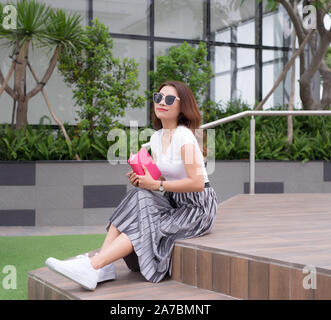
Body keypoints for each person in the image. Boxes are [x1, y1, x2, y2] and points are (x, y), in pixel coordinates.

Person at [45, 80, 218, 290]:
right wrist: (144, 178)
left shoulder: (184, 136)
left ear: (182, 106)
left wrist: (156, 185)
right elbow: (165, 179)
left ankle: (96, 264)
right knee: (138, 193)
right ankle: (102, 266)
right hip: (174, 200)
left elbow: (198, 183)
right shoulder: (156, 138)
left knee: (144, 224)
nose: (162, 102)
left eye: (170, 99)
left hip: (197, 208)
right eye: (158, 97)